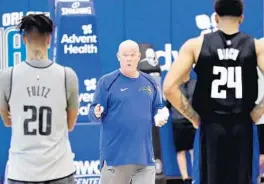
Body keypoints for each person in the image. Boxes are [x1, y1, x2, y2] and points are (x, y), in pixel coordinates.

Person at [163, 0, 264, 183]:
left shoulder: (195, 45)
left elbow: (169, 87)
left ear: (215, 18)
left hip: (210, 127)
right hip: (243, 126)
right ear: (242, 17)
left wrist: (193, 116)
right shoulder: (256, 46)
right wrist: (258, 111)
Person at [0, 14, 79, 184]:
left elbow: (7, 121)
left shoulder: (7, 76)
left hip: (21, 172)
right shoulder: (67, 75)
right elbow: (70, 124)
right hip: (60, 171)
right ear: (49, 39)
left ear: (23, 40)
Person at [88, 40, 169, 184]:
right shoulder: (106, 82)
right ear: (118, 56)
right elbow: (92, 113)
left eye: (132, 55)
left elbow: (158, 107)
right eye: (125, 55)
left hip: (145, 158)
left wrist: (161, 115)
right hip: (115, 158)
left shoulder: (149, 81)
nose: (129, 58)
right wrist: (96, 111)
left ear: (138, 56)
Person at [166, 78, 196, 184]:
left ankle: (195, 177)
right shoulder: (174, 86)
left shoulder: (195, 83)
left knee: (194, 150)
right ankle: (185, 179)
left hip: (193, 121)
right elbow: (168, 104)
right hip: (178, 122)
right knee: (180, 150)